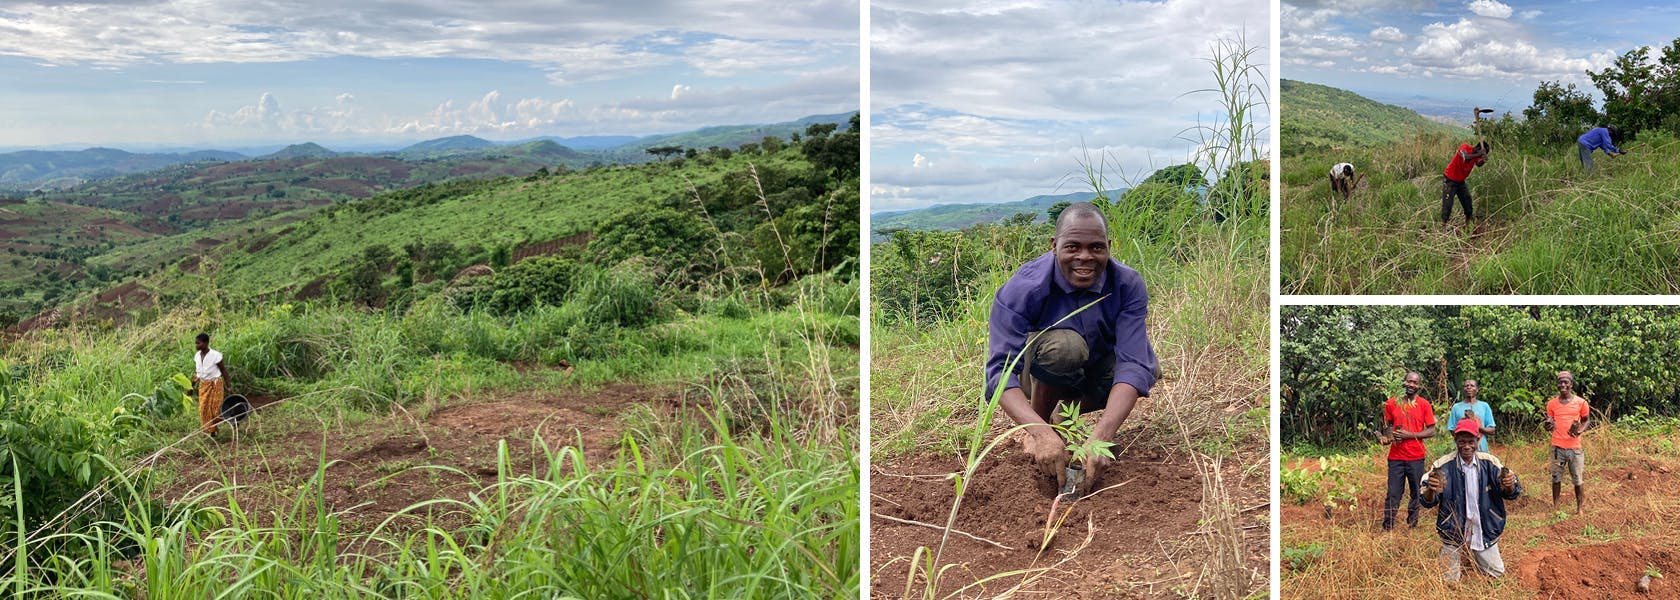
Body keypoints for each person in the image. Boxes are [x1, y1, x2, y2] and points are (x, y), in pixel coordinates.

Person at [986, 202, 1158, 493]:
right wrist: (1039, 432)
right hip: (1039, 371)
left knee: (1147, 367)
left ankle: (1063, 417)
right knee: (1066, 348)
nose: (1085, 257)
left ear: (1108, 247)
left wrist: (1101, 437)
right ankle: (1041, 424)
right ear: (1054, 245)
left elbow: (1133, 364)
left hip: (1094, 370)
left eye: (1096, 248)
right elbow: (999, 374)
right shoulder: (1023, 289)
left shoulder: (1127, 284)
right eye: (1073, 247)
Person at [1421, 417, 1522, 583]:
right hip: (1453, 530)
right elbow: (1426, 501)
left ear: (1478, 439)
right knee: (1449, 582)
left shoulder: (1490, 463)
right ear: (1455, 440)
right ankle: (1460, 560)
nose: (1466, 446)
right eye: (1461, 442)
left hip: (1484, 529)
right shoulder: (1442, 465)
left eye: (1470, 441)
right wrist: (1431, 490)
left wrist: (1510, 485)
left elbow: (1512, 492)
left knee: (1497, 575)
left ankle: (1476, 556)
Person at [1378, 371, 1437, 530]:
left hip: (1416, 457)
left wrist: (1410, 435)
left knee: (1416, 492)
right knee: (1393, 493)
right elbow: (1389, 427)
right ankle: (1388, 527)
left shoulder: (1424, 404)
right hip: (1396, 457)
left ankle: (1412, 526)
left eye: (1415, 382)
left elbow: (1431, 431)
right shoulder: (1391, 403)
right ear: (1403, 383)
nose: (1411, 385)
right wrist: (1387, 438)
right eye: (1409, 381)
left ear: (1419, 386)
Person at [1544, 370, 1590, 513]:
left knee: (1577, 479)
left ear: (1571, 384)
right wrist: (1547, 425)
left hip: (1575, 448)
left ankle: (1580, 508)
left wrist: (1580, 430)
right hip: (1557, 447)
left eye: (1566, 382)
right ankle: (1556, 507)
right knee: (1556, 478)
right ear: (1557, 385)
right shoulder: (1551, 404)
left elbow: (1586, 420)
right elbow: (1550, 423)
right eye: (1560, 382)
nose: (1563, 384)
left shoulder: (1581, 402)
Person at [1441, 140, 1489, 227]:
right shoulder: (1465, 147)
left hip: (1460, 181)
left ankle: (1469, 224)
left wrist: (1483, 160)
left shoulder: (1476, 155)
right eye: (1481, 153)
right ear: (1478, 148)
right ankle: (1443, 226)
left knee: (1467, 201)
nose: (1480, 156)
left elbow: (1478, 164)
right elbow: (1464, 157)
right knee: (1448, 204)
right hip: (1450, 179)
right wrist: (1479, 154)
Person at [192, 332, 227, 438]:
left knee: (216, 410)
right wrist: (191, 386)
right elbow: (198, 373)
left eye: (198, 343)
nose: (196, 345)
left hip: (215, 384)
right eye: (196, 343)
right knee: (203, 409)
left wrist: (229, 386)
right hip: (203, 386)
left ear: (206, 343)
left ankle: (228, 423)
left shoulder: (215, 355)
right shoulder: (197, 356)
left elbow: (224, 371)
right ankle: (212, 430)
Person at [1448, 379, 1496, 452]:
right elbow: (1452, 429)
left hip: (1481, 448)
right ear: (1463, 389)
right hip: (1462, 449)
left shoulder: (1484, 406)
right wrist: (1463, 440)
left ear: (1477, 389)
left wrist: (1476, 426)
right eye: (1466, 386)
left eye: (1472, 386)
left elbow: (1492, 430)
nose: (1469, 387)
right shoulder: (1456, 407)